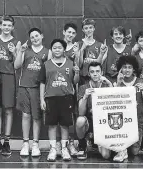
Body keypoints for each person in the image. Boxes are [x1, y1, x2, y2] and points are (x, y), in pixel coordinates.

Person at [39, 39, 80, 161]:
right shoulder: (46, 64)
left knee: (65, 125)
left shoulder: (70, 63)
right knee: (51, 125)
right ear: (51, 49)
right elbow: (42, 83)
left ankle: (64, 148)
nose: (57, 50)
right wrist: (42, 99)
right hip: (50, 98)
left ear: (64, 49)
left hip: (66, 98)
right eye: (55, 48)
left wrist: (77, 73)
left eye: (60, 48)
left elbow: (75, 81)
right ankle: (52, 148)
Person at [14, 28, 51, 157]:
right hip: (24, 86)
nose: (35, 38)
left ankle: (35, 144)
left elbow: (49, 71)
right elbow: (16, 66)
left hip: (38, 88)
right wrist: (20, 52)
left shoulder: (48, 52)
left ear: (42, 36)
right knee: (25, 115)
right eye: (32, 37)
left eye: (37, 36)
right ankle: (25, 143)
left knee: (37, 117)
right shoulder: (26, 51)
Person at [0, 15, 20, 156]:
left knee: (8, 109)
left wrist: (14, 52)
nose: (6, 27)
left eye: (9, 25)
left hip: (9, 77)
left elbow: (17, 64)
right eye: (4, 25)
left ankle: (7, 141)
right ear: (0, 26)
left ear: (12, 27)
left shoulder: (16, 42)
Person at [114, 55, 143, 162]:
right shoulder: (117, 82)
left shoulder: (140, 82)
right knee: (122, 149)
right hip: (121, 122)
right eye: (124, 67)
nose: (127, 70)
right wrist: (118, 84)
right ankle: (122, 149)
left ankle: (127, 147)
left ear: (134, 69)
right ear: (120, 69)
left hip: (137, 122)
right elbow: (112, 103)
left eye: (129, 67)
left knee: (134, 152)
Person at [75, 62, 115, 161]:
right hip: (90, 121)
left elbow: (115, 105)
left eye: (97, 71)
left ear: (102, 72)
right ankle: (82, 145)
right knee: (80, 121)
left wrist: (110, 84)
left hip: (104, 122)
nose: (95, 74)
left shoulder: (107, 85)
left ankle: (96, 141)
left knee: (106, 156)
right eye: (92, 72)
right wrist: (85, 97)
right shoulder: (83, 88)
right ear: (88, 74)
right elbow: (81, 113)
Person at [60, 22, 80, 156]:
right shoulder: (57, 46)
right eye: (69, 32)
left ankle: (72, 143)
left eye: (73, 33)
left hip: (72, 85)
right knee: (59, 116)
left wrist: (78, 54)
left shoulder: (77, 47)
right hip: (59, 84)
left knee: (73, 115)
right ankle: (60, 144)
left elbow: (79, 66)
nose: (70, 35)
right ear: (64, 32)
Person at [79, 19, 107, 85]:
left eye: (90, 27)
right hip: (84, 77)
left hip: (97, 76)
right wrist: (82, 49)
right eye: (86, 28)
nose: (88, 30)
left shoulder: (100, 45)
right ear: (83, 30)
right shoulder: (78, 44)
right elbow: (80, 64)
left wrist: (91, 60)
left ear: (94, 28)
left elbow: (100, 63)